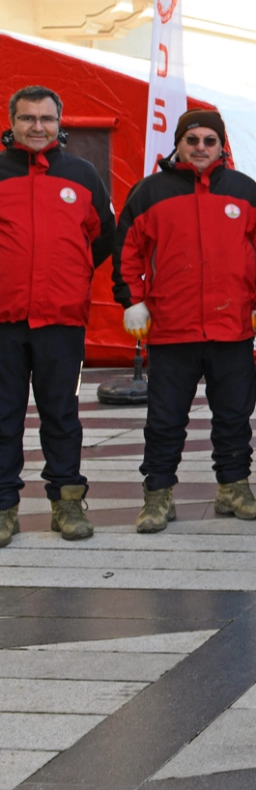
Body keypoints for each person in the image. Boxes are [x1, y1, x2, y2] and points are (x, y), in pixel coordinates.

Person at [113, 110, 256, 534]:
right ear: (179, 143)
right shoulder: (150, 192)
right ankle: (158, 494)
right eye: (192, 140)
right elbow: (125, 251)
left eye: (209, 140)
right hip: (172, 328)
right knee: (165, 418)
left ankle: (234, 488)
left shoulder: (245, 191)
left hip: (233, 327)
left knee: (233, 415)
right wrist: (132, 301)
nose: (200, 147)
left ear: (222, 146)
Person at [0, 86, 115, 546]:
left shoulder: (82, 174)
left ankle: (67, 504)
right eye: (27, 118)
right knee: (3, 416)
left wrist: (72, 275)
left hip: (61, 322)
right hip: (4, 321)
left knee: (62, 414)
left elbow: (102, 237)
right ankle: (4, 508)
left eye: (46, 119)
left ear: (59, 123)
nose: (37, 126)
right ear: (11, 123)